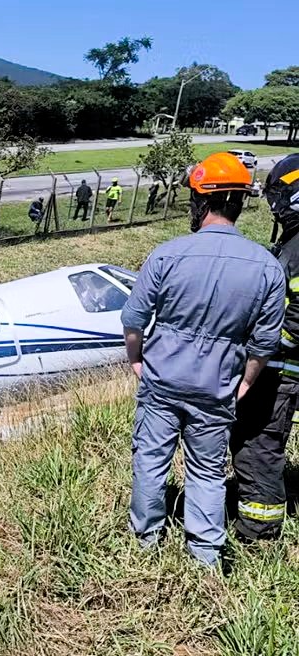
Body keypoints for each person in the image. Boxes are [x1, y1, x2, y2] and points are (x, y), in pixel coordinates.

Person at [121, 152, 285, 567]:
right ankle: (205, 555)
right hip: (218, 386)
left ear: (200, 200)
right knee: (207, 471)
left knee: (150, 461)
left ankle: (145, 543)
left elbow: (134, 320)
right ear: (239, 203)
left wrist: (137, 361)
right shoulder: (267, 267)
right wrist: (245, 382)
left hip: (162, 379)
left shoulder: (167, 254)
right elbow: (264, 344)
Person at [230, 154, 299, 542]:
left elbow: (295, 320)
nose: (273, 208)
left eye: (276, 198)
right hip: (282, 368)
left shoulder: (298, 247)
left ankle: (258, 535)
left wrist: (262, 349)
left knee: (259, 447)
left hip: (281, 372)